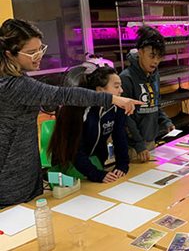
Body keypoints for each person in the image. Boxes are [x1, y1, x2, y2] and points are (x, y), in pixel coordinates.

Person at [0, 19, 141, 207]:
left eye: (40, 48)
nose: (39, 55)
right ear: (10, 54)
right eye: (32, 52)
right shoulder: (11, 85)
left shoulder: (19, 78)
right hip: (10, 179)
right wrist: (113, 99)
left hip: (27, 172)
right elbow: (63, 94)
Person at [49, 66, 130, 183]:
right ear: (100, 91)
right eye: (116, 86)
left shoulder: (117, 108)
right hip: (69, 167)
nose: (121, 90)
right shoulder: (77, 110)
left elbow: (120, 137)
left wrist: (122, 165)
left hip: (95, 163)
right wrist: (95, 174)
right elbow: (74, 150)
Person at [120, 26, 175, 163]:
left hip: (150, 140)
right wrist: (138, 145)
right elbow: (126, 117)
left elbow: (155, 103)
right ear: (140, 52)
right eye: (152, 56)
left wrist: (165, 121)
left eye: (159, 57)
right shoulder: (126, 78)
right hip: (133, 146)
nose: (156, 61)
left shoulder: (154, 75)